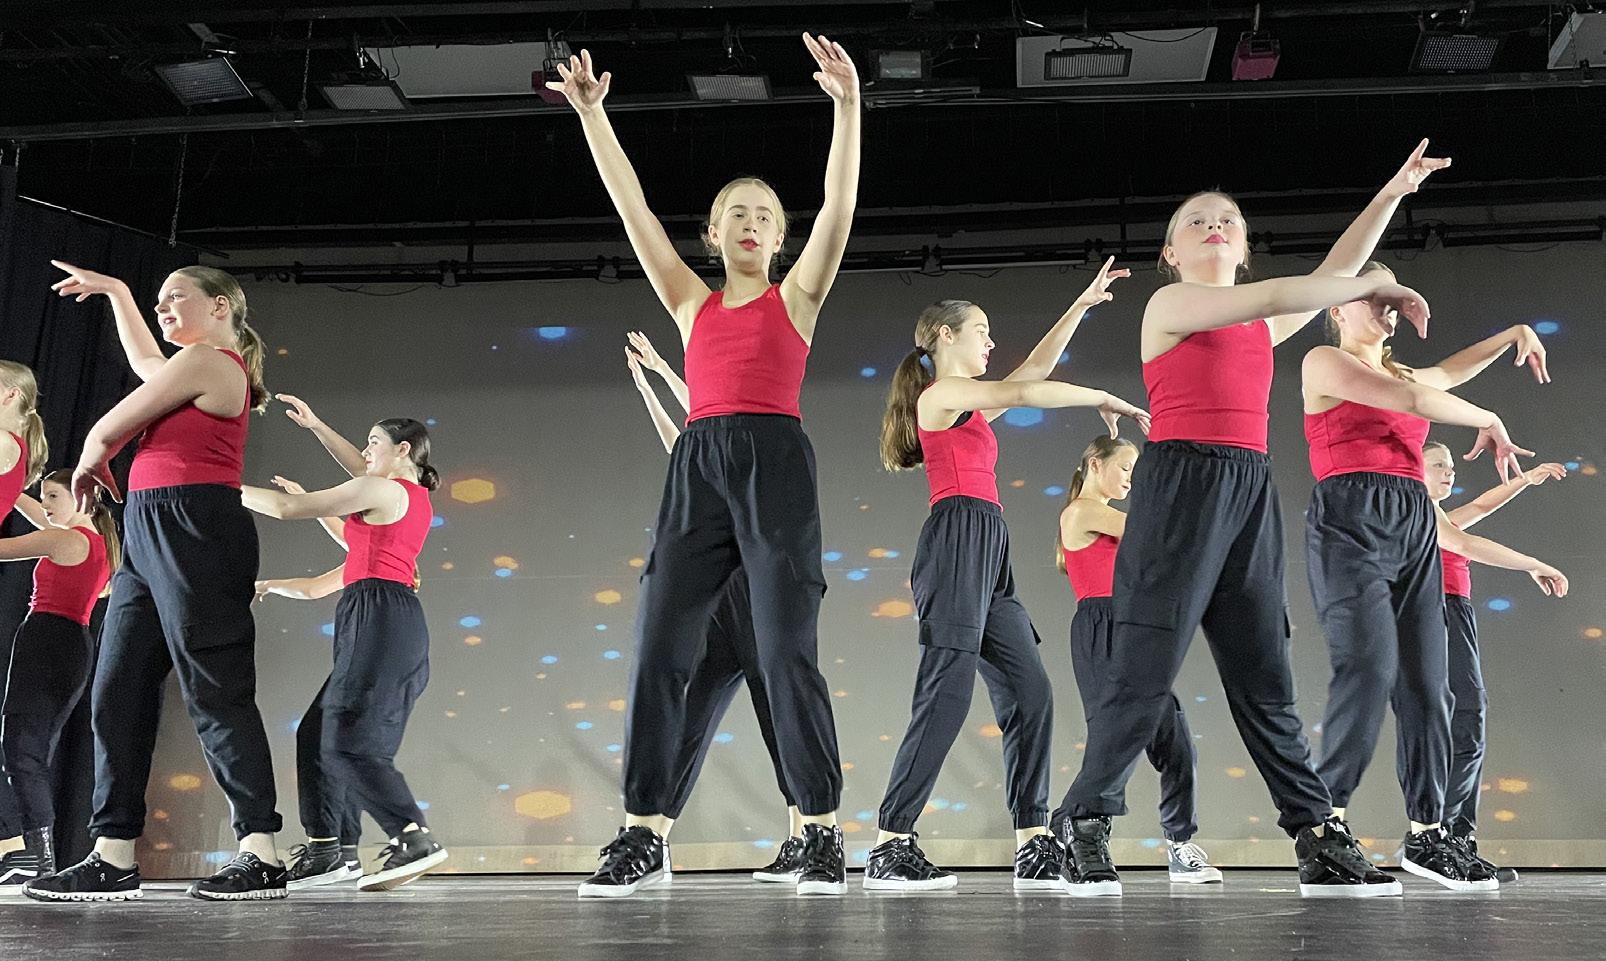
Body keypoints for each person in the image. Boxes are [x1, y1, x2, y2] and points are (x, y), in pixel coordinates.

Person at [1056, 140, 1450, 898]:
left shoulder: (1259, 327)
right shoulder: (1170, 306)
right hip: (1180, 485)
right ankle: (1085, 820)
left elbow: (1330, 269)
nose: (1215, 226)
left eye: (1228, 221)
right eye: (1196, 221)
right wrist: (1374, 283)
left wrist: (1395, 191)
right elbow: (1288, 292)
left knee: (1265, 673)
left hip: (1249, 488)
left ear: (1243, 245)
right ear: (1171, 252)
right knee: (1145, 668)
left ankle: (1315, 833)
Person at [548, 36, 862, 897]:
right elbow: (633, 211)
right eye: (736, 212)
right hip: (699, 467)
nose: (752, 221)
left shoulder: (798, 297)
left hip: (774, 465)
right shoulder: (690, 301)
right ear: (714, 233)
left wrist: (847, 106)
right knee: (659, 648)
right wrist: (593, 116)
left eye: (766, 214)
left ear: (781, 236)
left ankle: (820, 829)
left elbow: (840, 202)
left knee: (787, 652)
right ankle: (643, 831)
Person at [867, 264, 1149, 893]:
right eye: (982, 331)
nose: (991, 342)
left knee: (1030, 693)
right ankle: (891, 843)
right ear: (945, 336)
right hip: (956, 541)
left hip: (989, 543)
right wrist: (1099, 396)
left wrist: (1080, 306)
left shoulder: (967, 407)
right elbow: (1023, 394)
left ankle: (1032, 841)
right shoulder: (939, 397)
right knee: (946, 692)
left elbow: (1031, 374)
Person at [27, 263, 284, 903]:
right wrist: (117, 292)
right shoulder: (185, 367)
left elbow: (109, 427)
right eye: (158, 300)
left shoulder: (213, 362)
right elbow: (146, 363)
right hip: (147, 526)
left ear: (219, 307)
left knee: (215, 687)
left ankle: (261, 852)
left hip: (197, 525)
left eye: (176, 298)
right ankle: (113, 854)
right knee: (117, 689)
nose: (163, 308)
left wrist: (92, 456)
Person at [1302, 261, 1556, 891]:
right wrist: (1486, 417)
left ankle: (1427, 834)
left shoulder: (1405, 373)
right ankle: (1324, 831)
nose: (1387, 308)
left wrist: (1510, 335)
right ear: (1337, 308)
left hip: (1412, 518)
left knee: (1428, 686)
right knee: (1368, 668)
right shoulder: (1323, 363)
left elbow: (1445, 373)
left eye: (1393, 299)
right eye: (1374, 297)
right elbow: (1415, 401)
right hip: (1352, 516)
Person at [242, 404, 447, 892]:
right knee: (318, 734)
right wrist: (317, 427)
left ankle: (413, 837)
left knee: (348, 741)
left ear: (403, 449)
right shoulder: (396, 508)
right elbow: (317, 584)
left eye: (373, 441)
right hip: (383, 617)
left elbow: (287, 508)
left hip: (379, 618)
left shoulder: (384, 490)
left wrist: (215, 485)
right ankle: (332, 849)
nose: (364, 451)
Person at [624, 331, 805, 883]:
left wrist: (663, 370)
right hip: (717, 608)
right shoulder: (698, 463)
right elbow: (684, 441)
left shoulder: (751, 446)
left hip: (753, 596)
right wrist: (649, 388)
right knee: (687, 720)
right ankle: (652, 839)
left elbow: (708, 416)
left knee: (778, 716)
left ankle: (804, 837)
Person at [1056, 436, 1220, 884]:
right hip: (1102, 628)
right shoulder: (1082, 512)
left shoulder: (1106, 517)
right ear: (1095, 463)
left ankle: (1180, 844)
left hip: (1134, 628)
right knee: (1113, 744)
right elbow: (1153, 533)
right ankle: (1078, 833)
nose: (1131, 478)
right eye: (1126, 467)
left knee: (1175, 741)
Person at [1424, 442, 1567, 884]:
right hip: (1438, 613)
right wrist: (1533, 564)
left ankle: (1456, 838)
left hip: (1453, 614)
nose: (1449, 472)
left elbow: (1482, 505)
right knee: (1467, 721)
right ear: (1414, 470)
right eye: (1438, 465)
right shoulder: (1418, 509)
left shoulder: (1439, 514)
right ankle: (1445, 838)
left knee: (1465, 725)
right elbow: (1464, 543)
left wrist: (1525, 479)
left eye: (1451, 466)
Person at [0, 472, 116, 892]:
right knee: (26, 750)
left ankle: (36, 857)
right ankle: (33, 855)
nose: (44, 504)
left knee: (22, 750)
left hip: (48, 640)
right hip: (67, 644)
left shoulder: (66, 541)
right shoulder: (90, 540)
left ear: (81, 499)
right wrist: (13, 490)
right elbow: (38, 515)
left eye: (52, 496)